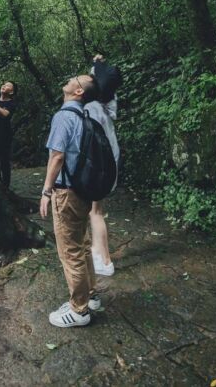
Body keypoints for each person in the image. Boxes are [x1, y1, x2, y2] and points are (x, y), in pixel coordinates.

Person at [40, 73, 102, 327]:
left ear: (78, 92)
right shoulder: (86, 117)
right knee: (82, 245)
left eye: (75, 79)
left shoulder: (64, 116)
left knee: (71, 251)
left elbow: (57, 157)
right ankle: (91, 295)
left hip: (66, 192)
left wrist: (45, 191)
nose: (68, 79)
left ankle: (79, 311)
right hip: (84, 191)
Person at [84, 55, 120, 277]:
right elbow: (104, 80)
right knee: (97, 210)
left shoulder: (91, 107)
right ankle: (98, 250)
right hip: (110, 160)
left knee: (95, 212)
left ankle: (105, 262)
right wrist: (99, 64)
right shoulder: (108, 101)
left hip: (100, 164)